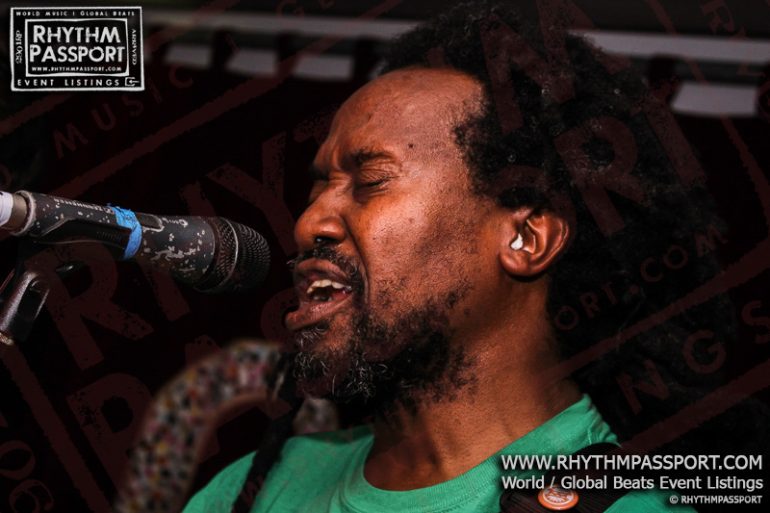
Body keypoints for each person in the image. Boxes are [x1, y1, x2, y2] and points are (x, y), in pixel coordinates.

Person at [183, 1, 733, 511]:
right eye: (319, 187)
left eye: (370, 181)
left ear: (526, 239)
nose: (308, 225)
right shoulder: (251, 489)